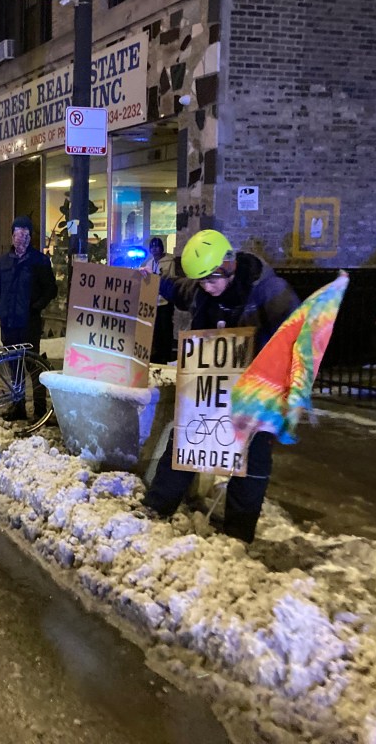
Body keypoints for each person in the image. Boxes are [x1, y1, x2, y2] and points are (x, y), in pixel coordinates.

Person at [141, 229, 300, 543]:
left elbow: (296, 331)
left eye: (211, 279)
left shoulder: (267, 290)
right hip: (210, 386)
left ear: (228, 266)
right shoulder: (202, 289)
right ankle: (158, 506)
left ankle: (238, 533)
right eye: (201, 281)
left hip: (256, 391)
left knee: (252, 457)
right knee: (186, 440)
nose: (206, 287)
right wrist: (154, 279)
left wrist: (285, 379)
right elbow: (179, 289)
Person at [0, 215, 57, 420]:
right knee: (14, 366)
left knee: (32, 364)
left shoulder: (39, 261)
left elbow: (51, 289)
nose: (21, 238)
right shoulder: (3, 261)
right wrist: (0, 307)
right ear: (12, 235)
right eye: (18, 233)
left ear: (30, 237)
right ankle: (18, 406)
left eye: (25, 234)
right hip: (9, 323)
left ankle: (39, 408)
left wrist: (35, 307)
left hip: (29, 323)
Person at [142, 236, 178, 363]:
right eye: (152, 247)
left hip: (165, 300)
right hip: (154, 301)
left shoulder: (169, 261)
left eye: (157, 246)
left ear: (161, 248)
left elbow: (172, 279)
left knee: (166, 327)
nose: (155, 249)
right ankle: (157, 353)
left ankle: (166, 354)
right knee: (156, 328)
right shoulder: (149, 263)